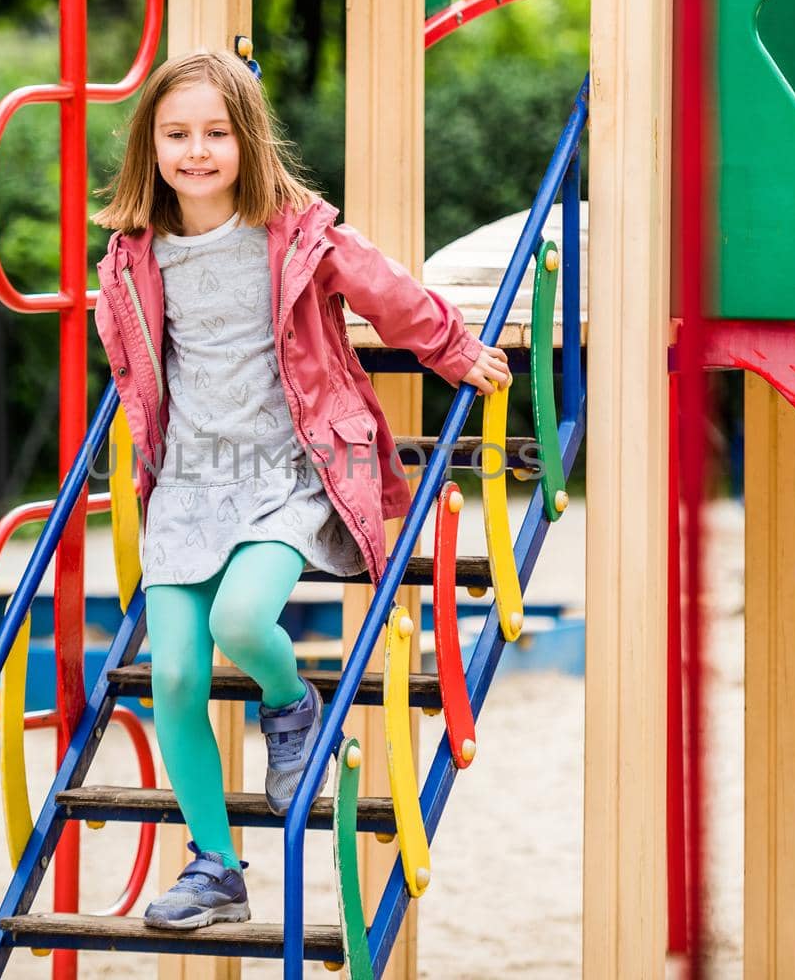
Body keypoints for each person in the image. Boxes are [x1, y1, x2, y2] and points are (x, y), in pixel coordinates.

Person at [90, 49, 511, 929]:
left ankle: (290, 706)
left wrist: (452, 350)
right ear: (151, 145)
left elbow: (386, 292)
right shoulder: (131, 257)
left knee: (240, 621)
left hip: (296, 466)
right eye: (176, 134)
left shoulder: (295, 231)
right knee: (171, 672)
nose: (195, 151)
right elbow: (138, 369)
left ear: (246, 140)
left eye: (214, 133)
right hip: (189, 480)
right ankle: (214, 867)